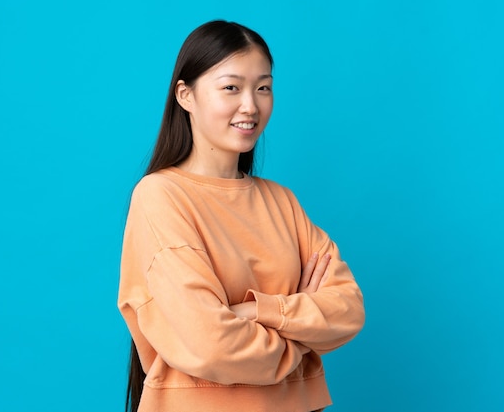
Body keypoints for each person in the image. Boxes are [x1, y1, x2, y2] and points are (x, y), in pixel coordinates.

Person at [118, 20, 365, 412]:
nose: (250, 105)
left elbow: (348, 309)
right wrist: (301, 332)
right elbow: (209, 343)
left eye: (263, 87)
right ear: (185, 95)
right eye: (231, 87)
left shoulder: (282, 202)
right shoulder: (160, 197)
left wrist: (256, 311)